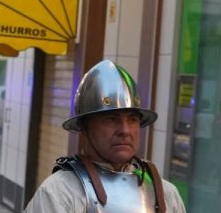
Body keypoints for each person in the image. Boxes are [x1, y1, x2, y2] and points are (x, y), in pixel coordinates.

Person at [24, 59, 185, 212]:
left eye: (132, 119)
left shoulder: (166, 194)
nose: (125, 130)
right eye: (111, 119)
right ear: (84, 127)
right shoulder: (59, 193)